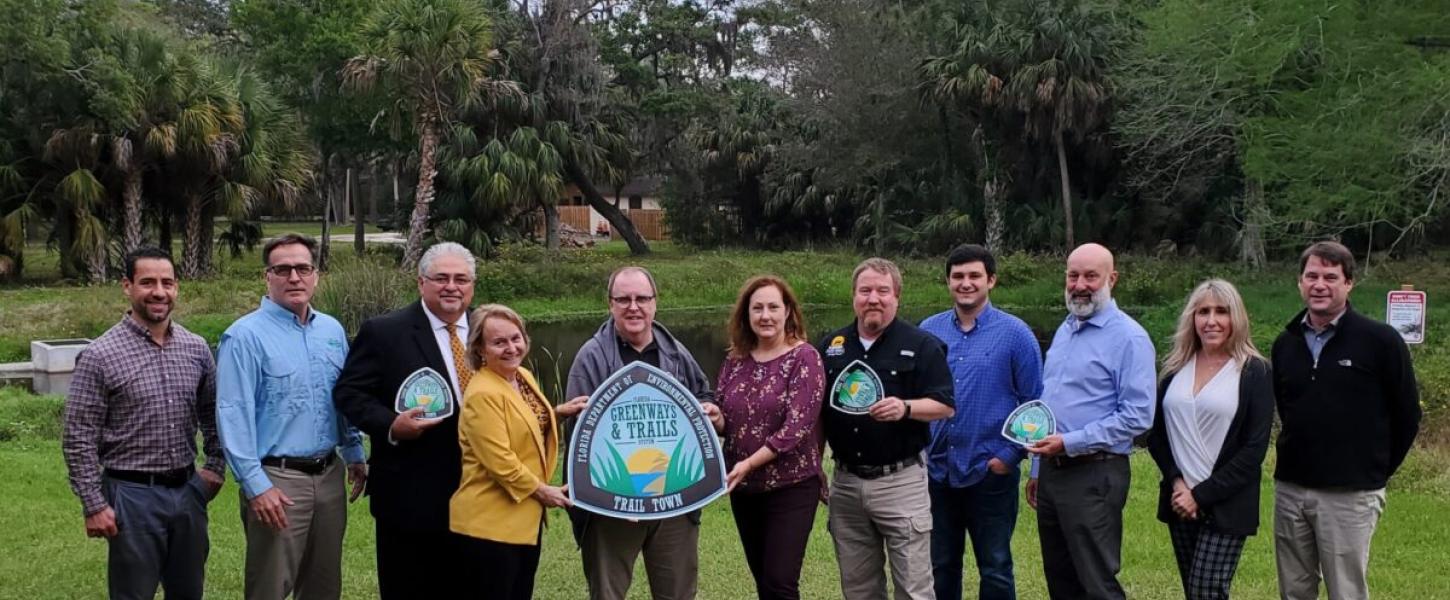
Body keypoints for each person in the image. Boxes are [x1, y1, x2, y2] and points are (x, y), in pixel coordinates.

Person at [61, 246, 225, 600]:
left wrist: (214, 467)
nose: (159, 292)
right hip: (130, 496)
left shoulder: (196, 349)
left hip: (188, 492)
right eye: (147, 282)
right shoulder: (100, 355)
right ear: (127, 286)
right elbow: (78, 436)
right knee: (133, 593)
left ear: (177, 287)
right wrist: (93, 504)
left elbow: (214, 415)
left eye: (167, 282)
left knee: (188, 591)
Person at [216, 233, 368, 600]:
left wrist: (354, 453)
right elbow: (232, 414)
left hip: (329, 476)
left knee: (323, 585)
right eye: (282, 269)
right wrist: (256, 485)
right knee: (271, 585)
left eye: (303, 268)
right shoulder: (244, 337)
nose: (294, 277)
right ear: (267, 277)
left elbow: (341, 397)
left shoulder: (331, 330)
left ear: (316, 275)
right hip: (277, 479)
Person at [1271, 241, 1421, 600]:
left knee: (1346, 591)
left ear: (1349, 283)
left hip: (1350, 495)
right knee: (1294, 589)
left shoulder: (1380, 341)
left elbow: (1407, 415)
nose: (1319, 284)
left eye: (1330, 277)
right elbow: (1286, 408)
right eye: (1312, 276)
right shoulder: (1285, 344)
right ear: (1299, 282)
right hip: (1291, 489)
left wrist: (1375, 470)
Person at [563, 265, 719, 600]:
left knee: (677, 593)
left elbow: (704, 395)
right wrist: (622, 499)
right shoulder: (591, 356)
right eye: (624, 299)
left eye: (641, 298)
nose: (633, 306)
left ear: (654, 303)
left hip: (674, 502)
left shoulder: (675, 352)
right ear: (610, 305)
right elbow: (579, 435)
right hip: (611, 507)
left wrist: (710, 411)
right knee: (608, 593)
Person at [332, 242, 477, 598]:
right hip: (409, 497)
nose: (451, 286)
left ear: (472, 285)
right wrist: (391, 425)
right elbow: (349, 394)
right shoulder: (385, 332)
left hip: (479, 493)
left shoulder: (489, 328)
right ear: (421, 282)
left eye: (461, 279)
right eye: (441, 278)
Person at [819, 257, 955, 600]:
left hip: (901, 482)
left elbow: (945, 405)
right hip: (846, 483)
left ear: (897, 296)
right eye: (865, 291)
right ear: (854, 296)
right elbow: (817, 414)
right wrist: (814, 466)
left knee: (913, 588)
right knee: (859, 588)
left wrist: (905, 407)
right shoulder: (831, 346)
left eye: (883, 290)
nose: (873, 298)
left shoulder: (923, 344)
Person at [1025, 243, 1155, 600]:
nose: (1080, 284)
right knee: (1061, 580)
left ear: (1111, 279)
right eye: (1073, 275)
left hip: (1094, 473)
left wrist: (1070, 442)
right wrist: (1038, 469)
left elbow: (1138, 415)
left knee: (1097, 583)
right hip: (1053, 473)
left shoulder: (1129, 338)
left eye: (1090, 276)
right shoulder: (1067, 329)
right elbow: (1052, 404)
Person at [920, 244, 1043, 600]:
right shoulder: (928, 332)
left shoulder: (1016, 335)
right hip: (937, 472)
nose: (966, 283)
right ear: (948, 282)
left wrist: (1010, 455)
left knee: (996, 567)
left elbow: (1034, 404)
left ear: (991, 280)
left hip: (990, 471)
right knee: (940, 565)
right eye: (958, 276)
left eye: (975, 276)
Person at [1148, 279, 1274, 600]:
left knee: (1207, 591)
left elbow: (1253, 449)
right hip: (1180, 501)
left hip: (1227, 503)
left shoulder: (1254, 372)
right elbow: (1157, 436)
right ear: (1192, 318)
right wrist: (1178, 484)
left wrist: (1200, 496)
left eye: (1222, 311)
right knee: (1194, 591)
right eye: (1203, 311)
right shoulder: (1175, 369)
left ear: (1237, 318)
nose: (1211, 320)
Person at [715, 275, 827, 600]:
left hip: (791, 486)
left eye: (773, 307)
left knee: (780, 582)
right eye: (757, 308)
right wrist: (714, 417)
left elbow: (797, 427)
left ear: (788, 311)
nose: (765, 316)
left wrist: (748, 463)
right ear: (746, 315)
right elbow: (727, 420)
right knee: (764, 580)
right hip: (745, 489)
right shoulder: (735, 361)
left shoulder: (804, 358)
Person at [451, 304, 570, 600]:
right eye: (499, 342)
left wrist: (558, 413)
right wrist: (544, 492)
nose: (511, 348)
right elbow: (500, 462)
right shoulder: (482, 393)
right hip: (490, 527)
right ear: (479, 348)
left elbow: (523, 423)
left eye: (516, 338)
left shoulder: (521, 376)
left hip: (521, 521)